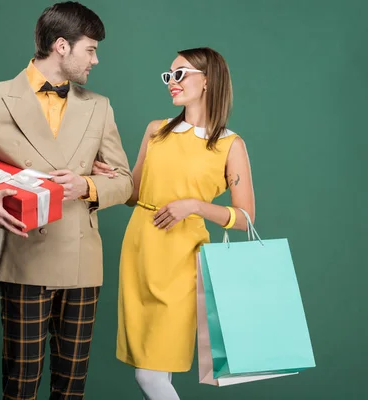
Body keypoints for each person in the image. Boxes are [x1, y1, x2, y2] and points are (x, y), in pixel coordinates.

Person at [0, 2, 133, 399]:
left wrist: (87, 187)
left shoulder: (99, 107)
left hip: (81, 264)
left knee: (72, 388)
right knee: (20, 386)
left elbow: (124, 182)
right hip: (23, 259)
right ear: (61, 46)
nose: (96, 60)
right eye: (90, 49)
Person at [93, 47, 255, 399]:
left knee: (150, 377)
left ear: (208, 81)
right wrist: (104, 175)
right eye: (168, 75)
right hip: (140, 250)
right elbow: (132, 193)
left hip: (182, 260)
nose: (171, 83)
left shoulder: (231, 145)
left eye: (179, 74)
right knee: (150, 373)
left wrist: (195, 205)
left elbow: (245, 218)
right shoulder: (157, 130)